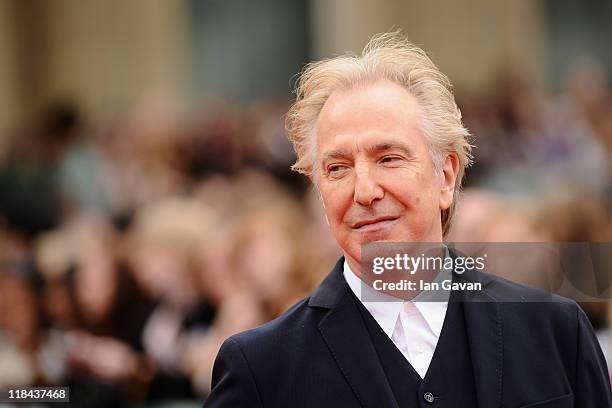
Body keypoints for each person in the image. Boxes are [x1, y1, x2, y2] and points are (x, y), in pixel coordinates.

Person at [203, 32, 611, 407]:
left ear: (446, 176)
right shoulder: (262, 369)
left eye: (389, 158)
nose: (364, 191)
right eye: (338, 168)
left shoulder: (556, 333)